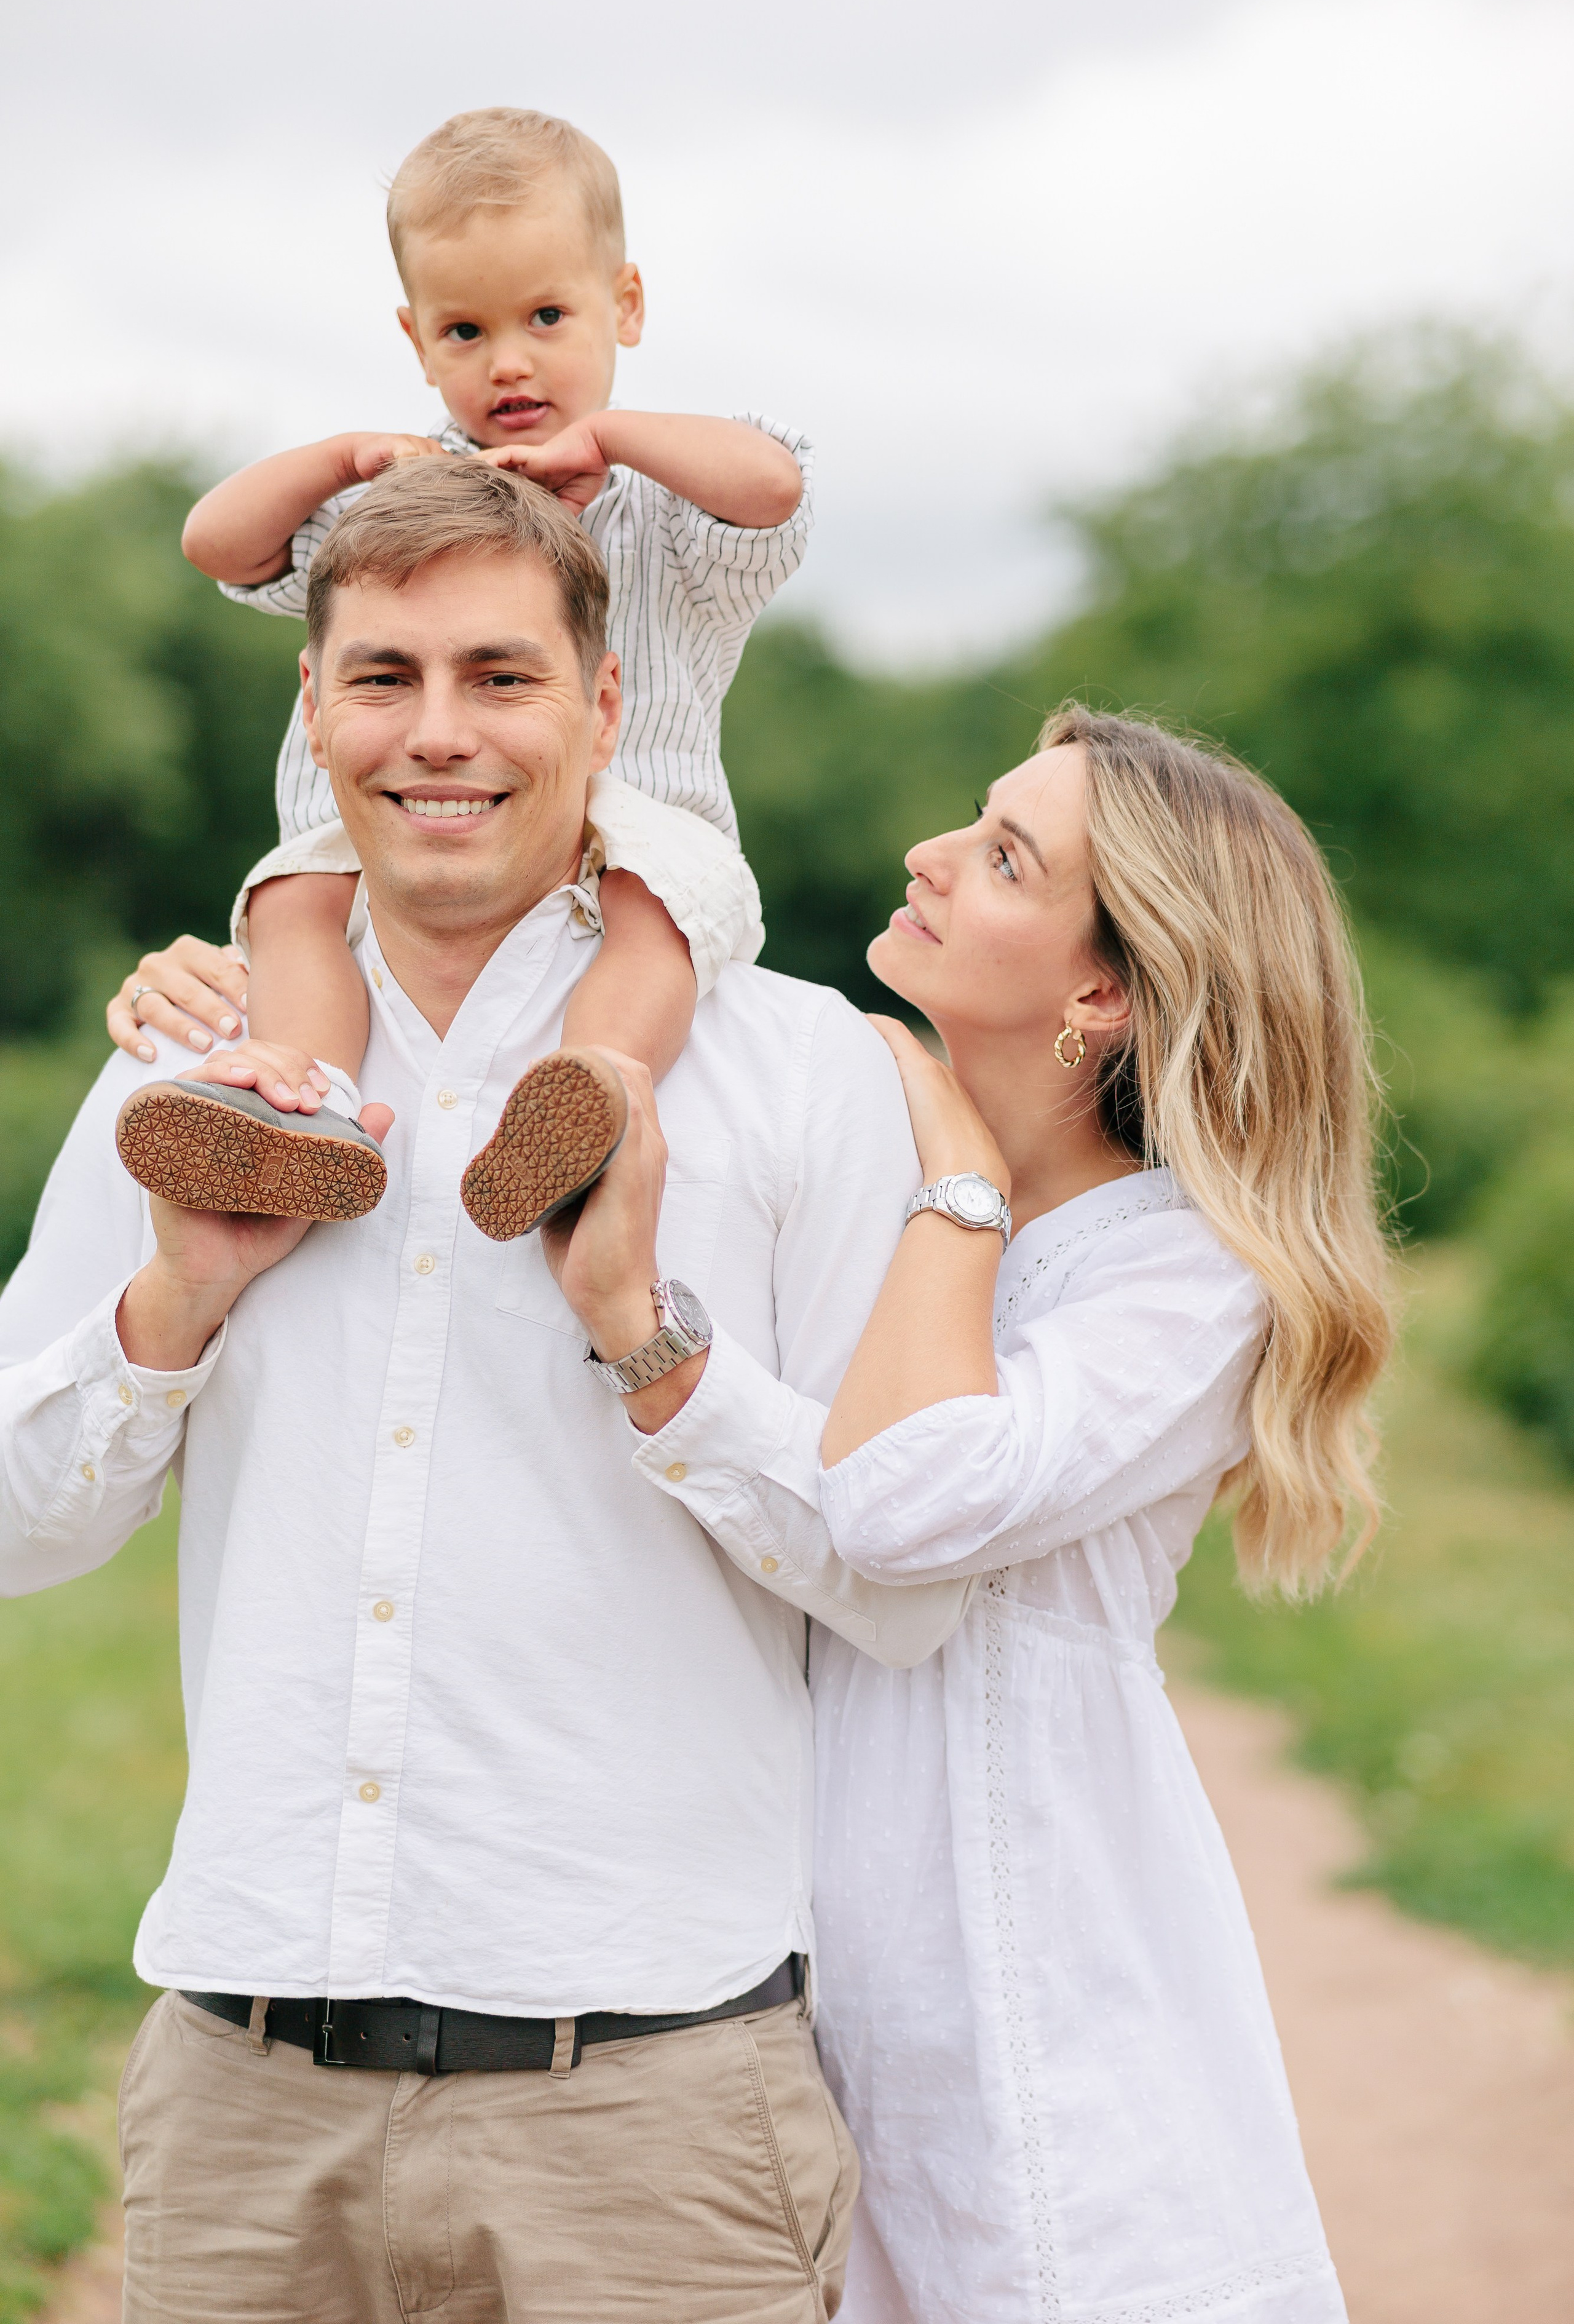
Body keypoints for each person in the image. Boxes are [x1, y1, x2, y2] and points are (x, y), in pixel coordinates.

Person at [0, 459, 974, 2322]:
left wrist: (650, 1343)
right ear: (311, 708)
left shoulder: (786, 1076)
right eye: (382, 677)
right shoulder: (188, 1077)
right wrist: (172, 1299)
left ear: (608, 708)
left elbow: (909, 1581)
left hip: (657, 2117)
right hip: (240, 2100)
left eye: (501, 677)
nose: (437, 735)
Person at [542, 707, 1394, 2322]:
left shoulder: (1187, 1279)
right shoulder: (851, 1157)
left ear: (1103, 992)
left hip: (1061, 2015)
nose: (931, 854)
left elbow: (900, 1499)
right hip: (820, 2019)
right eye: (974, 822)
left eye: (1007, 857)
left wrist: (957, 1177)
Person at [110, 105, 809, 1236]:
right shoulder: (402, 495)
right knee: (290, 905)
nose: (510, 361)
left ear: (625, 304)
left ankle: (590, 1090)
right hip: (387, 830)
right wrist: (341, 460)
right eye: (465, 332)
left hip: (636, 825)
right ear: (415, 338)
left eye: (547, 315)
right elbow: (216, 543)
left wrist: (612, 441)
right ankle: (297, 1101)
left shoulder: (667, 502)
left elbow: (771, 485)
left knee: (652, 917)